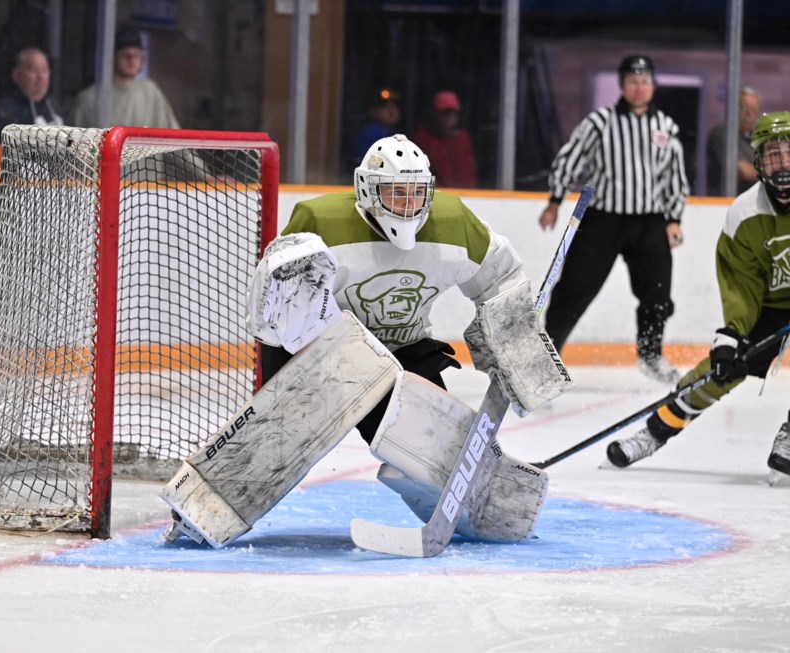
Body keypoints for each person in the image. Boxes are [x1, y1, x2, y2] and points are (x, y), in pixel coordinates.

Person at [159, 134, 572, 549]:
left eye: (416, 193)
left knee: (435, 454)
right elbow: (272, 314)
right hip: (322, 353)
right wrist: (319, 344)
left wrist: (514, 346)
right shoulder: (321, 222)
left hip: (405, 349)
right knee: (281, 438)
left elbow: (502, 278)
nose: (407, 205)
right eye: (395, 193)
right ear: (367, 190)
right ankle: (203, 506)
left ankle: (494, 514)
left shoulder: (453, 223)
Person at [606, 111, 790, 481]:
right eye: (773, 154)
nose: (783, 162)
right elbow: (742, 286)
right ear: (759, 162)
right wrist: (732, 336)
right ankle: (653, 433)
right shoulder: (745, 214)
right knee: (724, 369)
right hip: (774, 304)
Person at [538, 54, 689, 385]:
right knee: (573, 290)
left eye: (645, 81)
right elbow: (569, 159)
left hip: (650, 222)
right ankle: (546, 357)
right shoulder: (600, 122)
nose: (639, 88)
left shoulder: (665, 127)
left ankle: (651, 355)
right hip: (603, 221)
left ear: (653, 86)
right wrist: (554, 200)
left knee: (658, 294)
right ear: (622, 85)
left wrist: (674, 219)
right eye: (633, 81)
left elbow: (674, 179)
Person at [71, 26, 181, 129]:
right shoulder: (89, 99)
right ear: (112, 58)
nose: (131, 60)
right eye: (125, 55)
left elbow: (174, 136)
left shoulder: (150, 91)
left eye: (136, 55)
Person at [410, 90, 478, 188]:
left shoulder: (463, 138)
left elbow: (469, 174)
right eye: (445, 112)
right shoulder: (422, 139)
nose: (450, 116)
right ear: (434, 114)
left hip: (465, 195)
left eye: (453, 112)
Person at [707, 87, 763, 196]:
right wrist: (771, 173)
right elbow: (744, 171)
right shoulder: (723, 134)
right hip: (724, 203)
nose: (749, 113)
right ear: (735, 108)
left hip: (753, 203)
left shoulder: (758, 138)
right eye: (744, 107)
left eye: (754, 109)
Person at [0, 47, 63, 127]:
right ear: (17, 75)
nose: (40, 77)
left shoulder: (53, 106)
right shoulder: (6, 113)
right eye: (33, 71)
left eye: (44, 70)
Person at [352, 87, 400, 165]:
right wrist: (386, 164)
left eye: (394, 107)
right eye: (385, 107)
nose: (391, 112)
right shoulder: (369, 132)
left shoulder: (396, 133)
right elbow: (361, 158)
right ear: (373, 111)